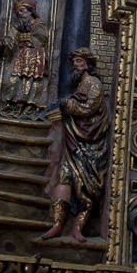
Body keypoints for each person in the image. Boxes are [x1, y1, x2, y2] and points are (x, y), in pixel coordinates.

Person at [41, 49, 110, 242]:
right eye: (73, 62)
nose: (75, 65)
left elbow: (89, 108)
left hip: (91, 144)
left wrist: (68, 105)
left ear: (88, 64)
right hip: (74, 142)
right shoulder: (80, 84)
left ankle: (78, 228)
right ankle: (57, 225)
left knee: (88, 188)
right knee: (64, 177)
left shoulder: (93, 83)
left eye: (79, 61)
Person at [0, 0, 48, 116]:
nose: (20, 14)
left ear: (30, 11)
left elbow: (41, 39)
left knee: (31, 82)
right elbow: (10, 40)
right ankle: (10, 105)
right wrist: (0, 43)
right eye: (18, 12)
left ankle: (28, 107)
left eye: (22, 10)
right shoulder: (17, 26)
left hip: (35, 57)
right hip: (20, 56)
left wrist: (26, 38)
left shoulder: (39, 23)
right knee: (11, 80)